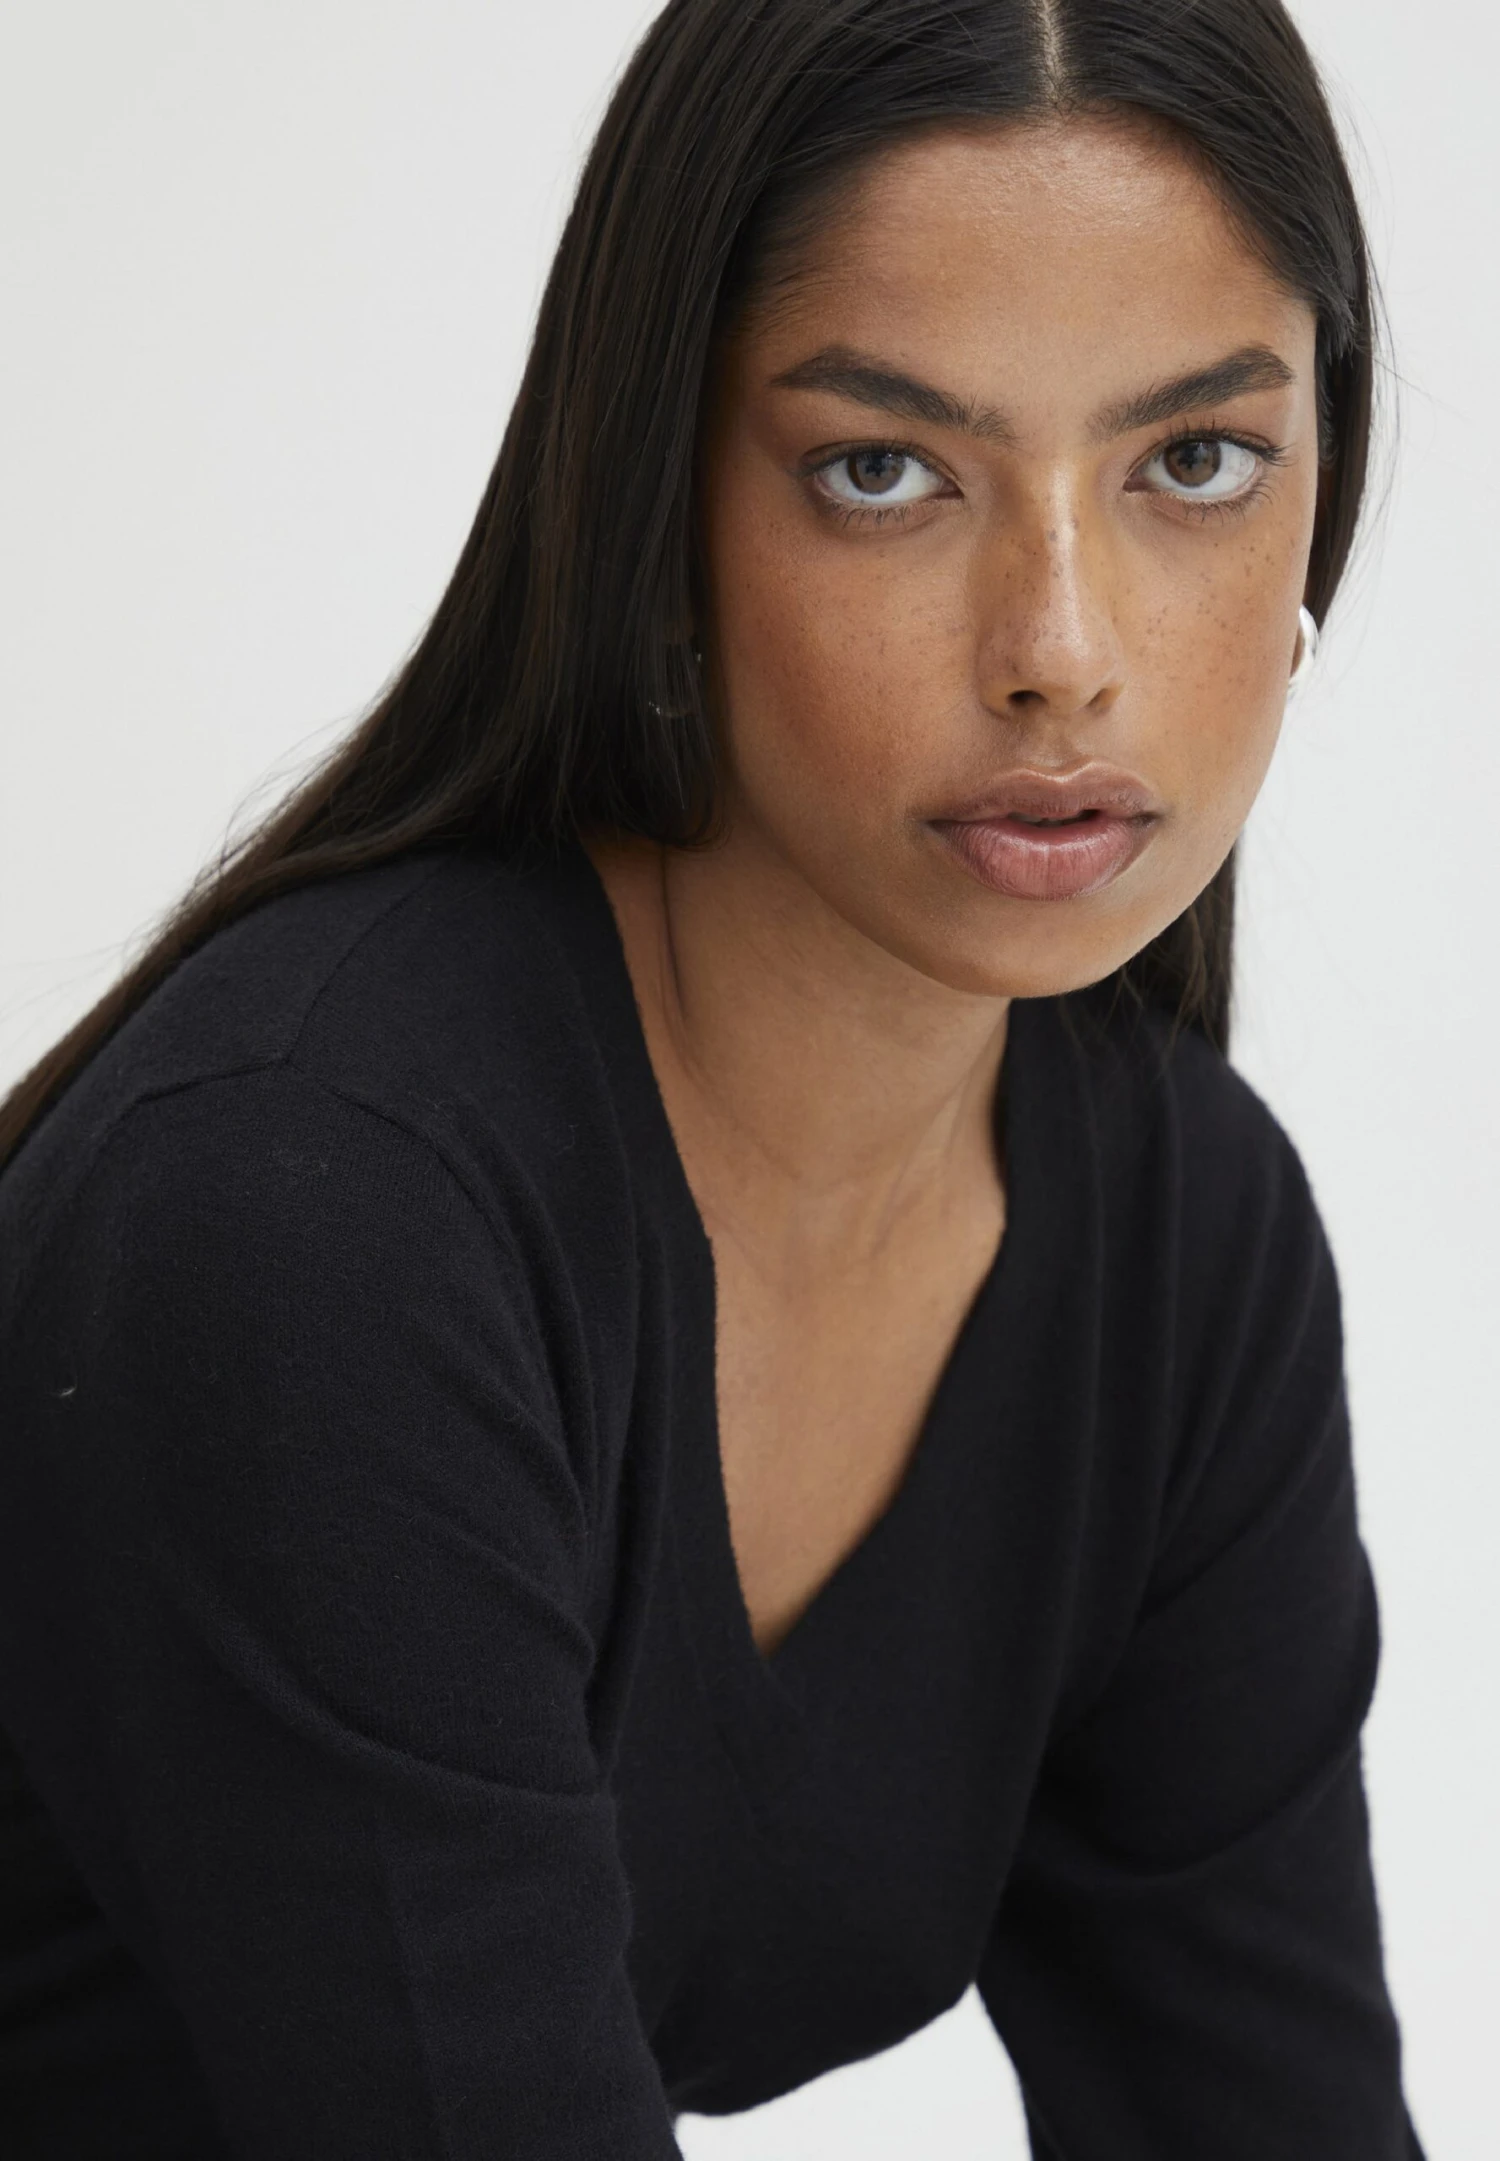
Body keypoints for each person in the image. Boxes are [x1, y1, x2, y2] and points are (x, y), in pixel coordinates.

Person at [0, 0, 1427, 2154]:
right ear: (653, 508)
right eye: (884, 471)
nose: (1063, 650)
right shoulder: (311, 1212)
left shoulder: (1179, 1240)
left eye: (1197, 461)